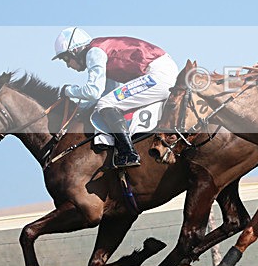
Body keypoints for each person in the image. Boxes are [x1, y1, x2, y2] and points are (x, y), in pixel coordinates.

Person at [52, 27, 178, 168]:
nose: (68, 66)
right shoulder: (101, 50)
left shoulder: (94, 53)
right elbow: (105, 94)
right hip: (162, 70)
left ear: (75, 51)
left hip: (158, 74)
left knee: (105, 105)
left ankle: (129, 153)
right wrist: (80, 107)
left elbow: (93, 91)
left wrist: (68, 91)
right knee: (106, 103)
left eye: (66, 59)